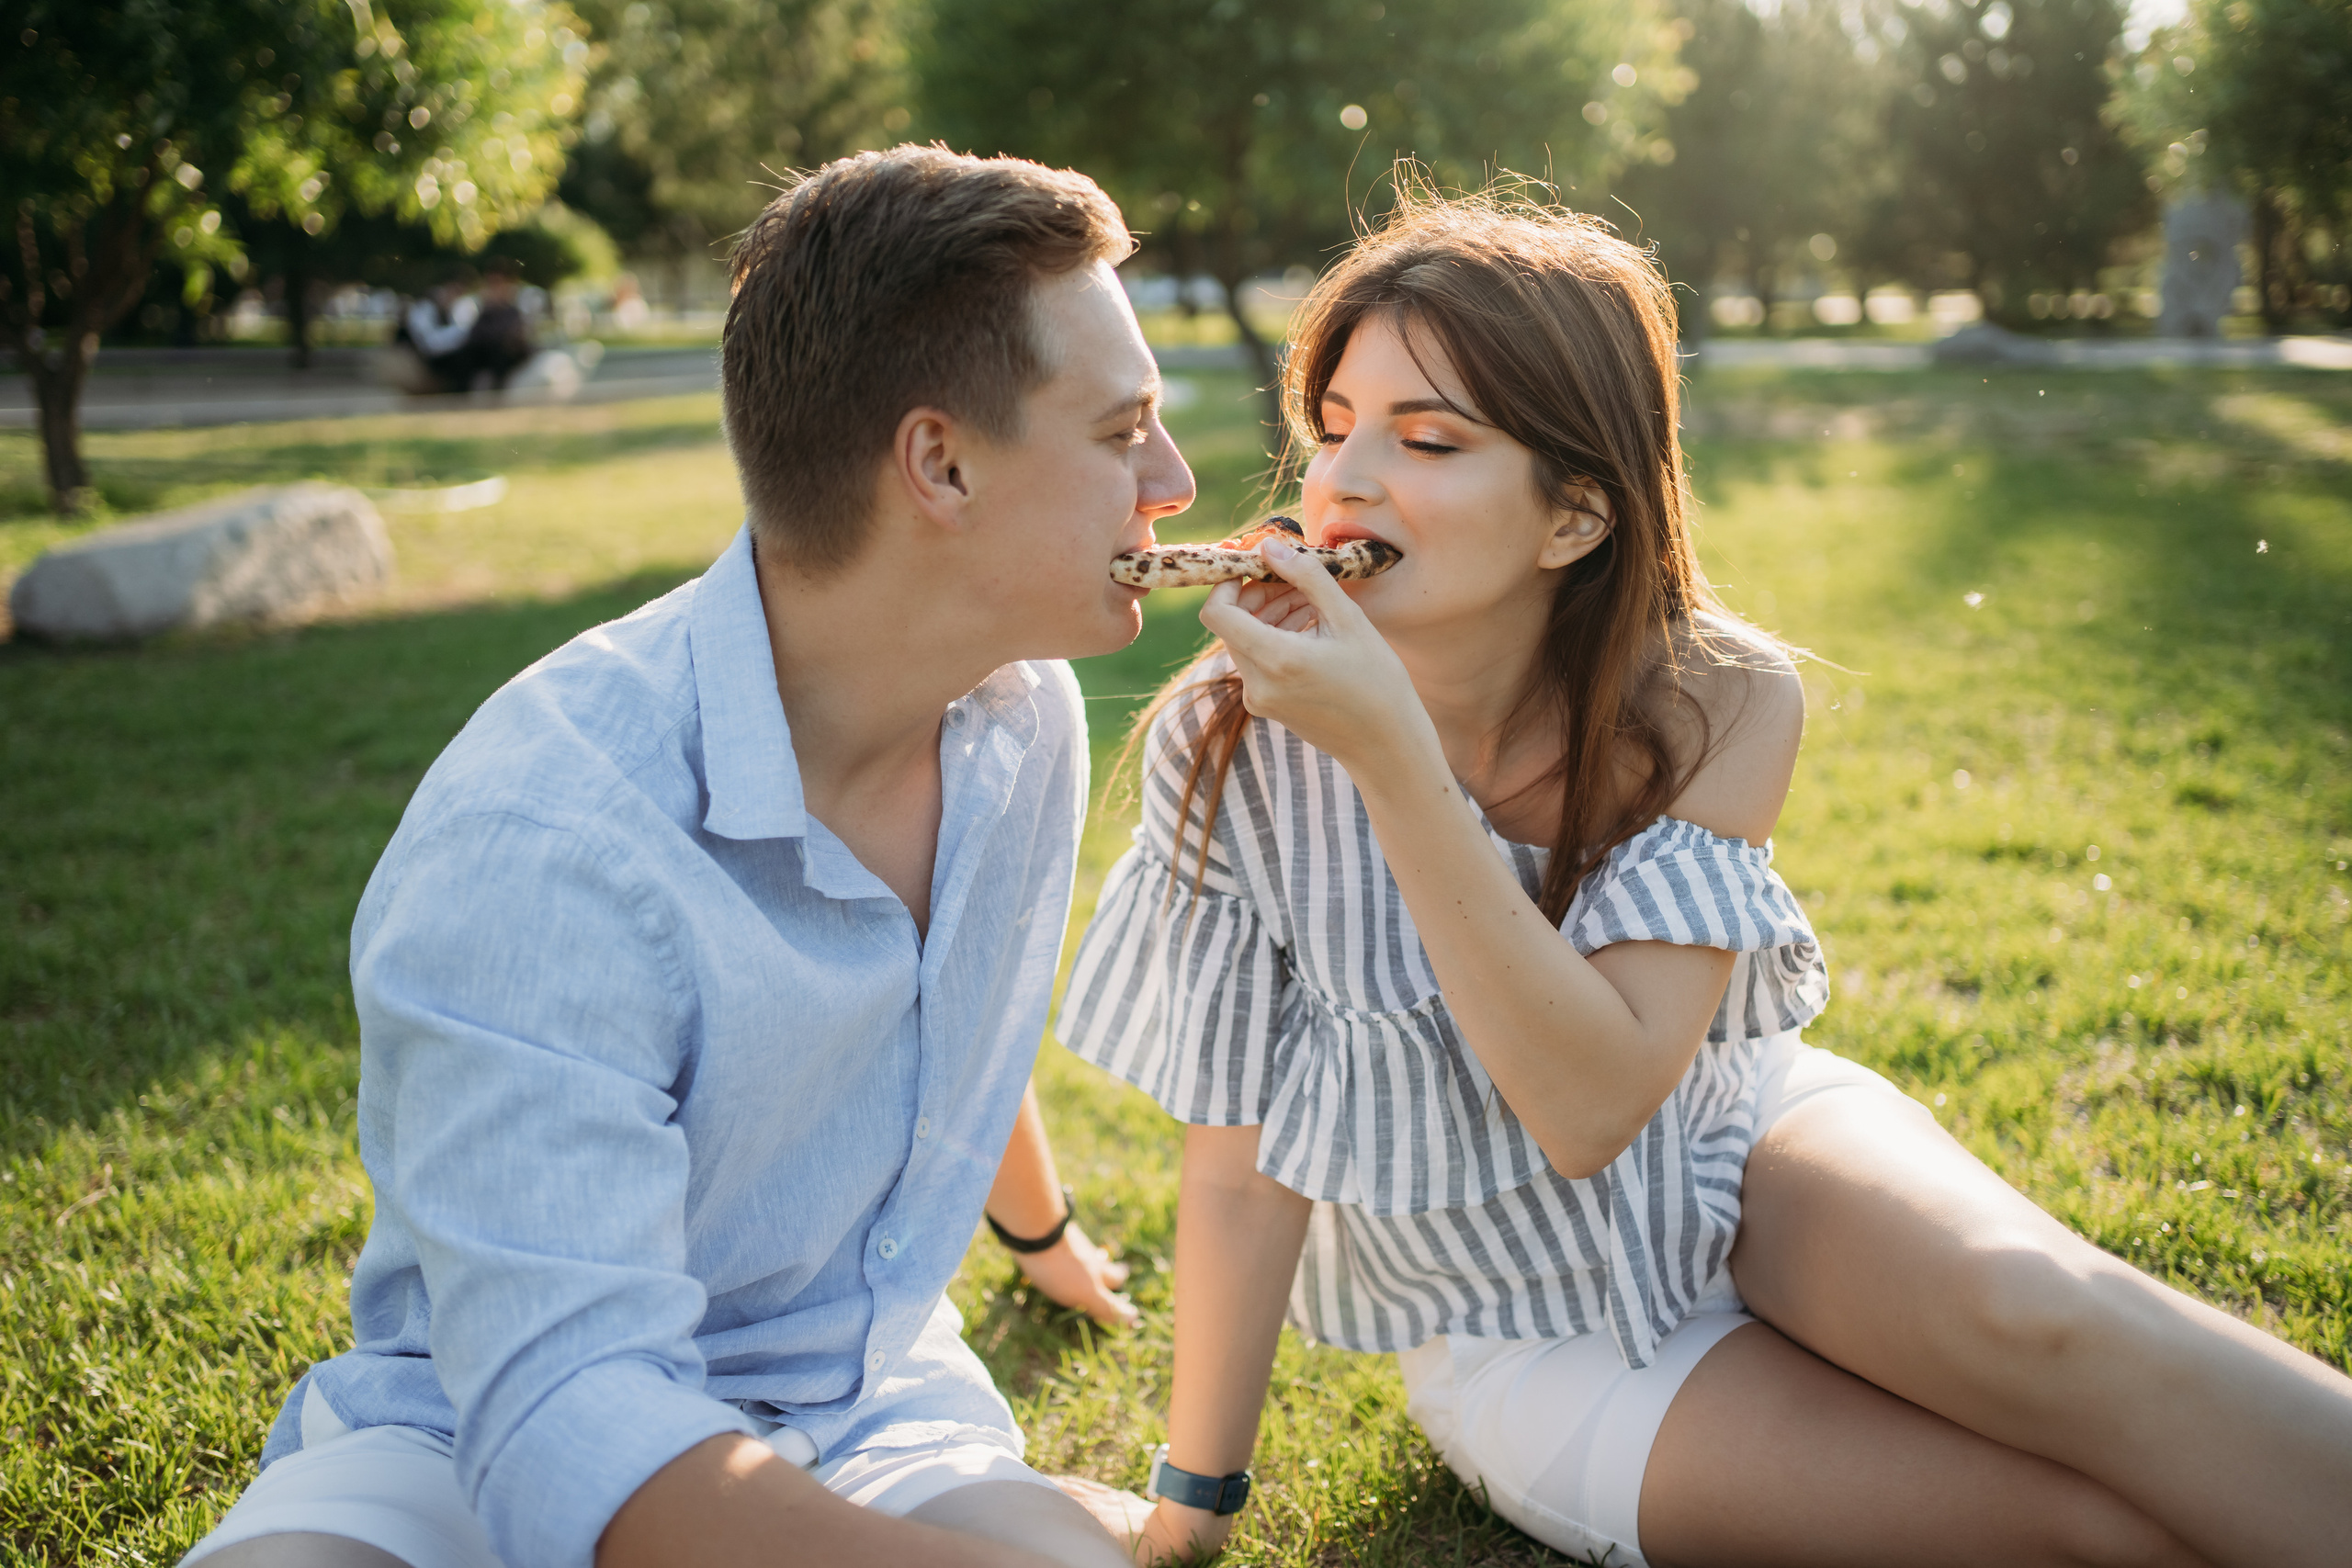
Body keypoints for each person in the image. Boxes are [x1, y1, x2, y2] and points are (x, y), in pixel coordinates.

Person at [1053, 183, 2352, 1568]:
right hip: (1522, 1324)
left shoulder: (1715, 699)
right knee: (2080, 1530)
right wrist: (1194, 1502)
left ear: (1575, 517)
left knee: (2043, 1314)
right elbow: (1245, 1171)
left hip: (1738, 1150)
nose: (1343, 482)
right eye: (1335, 427)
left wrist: (1394, 762)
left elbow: (1607, 1096)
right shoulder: (1234, 738)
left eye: (1427, 439)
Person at [182, 145, 1191, 1568]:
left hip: (864, 1403)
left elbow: (919, 1011)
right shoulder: (545, 837)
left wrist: (1043, 1241)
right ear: (942, 464)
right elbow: (571, 1420)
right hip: (468, 1438)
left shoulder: (1020, 722)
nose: (1175, 481)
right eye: (1124, 430)